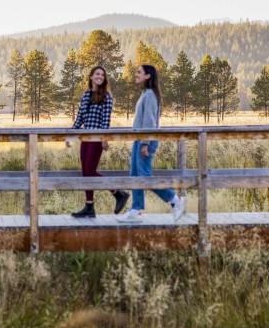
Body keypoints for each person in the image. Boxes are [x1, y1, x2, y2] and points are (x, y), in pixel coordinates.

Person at [117, 64, 186, 223]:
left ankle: (174, 200)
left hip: (145, 140)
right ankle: (136, 209)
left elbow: (149, 121)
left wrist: (145, 144)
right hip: (140, 139)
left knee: (145, 177)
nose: (136, 74)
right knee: (135, 176)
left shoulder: (150, 95)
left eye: (139, 72)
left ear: (148, 76)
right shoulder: (146, 93)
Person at [71, 66, 129, 218]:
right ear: (91, 76)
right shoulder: (85, 95)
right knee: (86, 173)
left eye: (102, 75)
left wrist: (104, 138)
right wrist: (70, 135)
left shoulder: (106, 96)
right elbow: (80, 118)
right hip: (85, 138)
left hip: (97, 139)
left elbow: (106, 121)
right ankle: (89, 206)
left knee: (90, 172)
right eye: (97, 74)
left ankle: (118, 193)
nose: (100, 76)